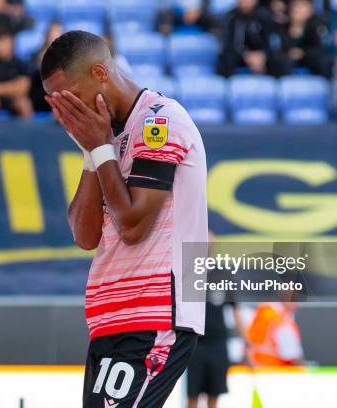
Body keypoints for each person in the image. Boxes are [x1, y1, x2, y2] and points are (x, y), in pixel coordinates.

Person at [41, 30, 208, 406]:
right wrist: (92, 151)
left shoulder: (161, 121)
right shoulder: (105, 138)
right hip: (110, 317)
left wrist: (100, 147)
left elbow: (133, 225)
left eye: (72, 98)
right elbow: (85, 236)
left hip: (158, 313)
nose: (69, 113)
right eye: (58, 104)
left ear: (100, 73)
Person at [187, 239, 246, 408]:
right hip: (195, 343)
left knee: (215, 393)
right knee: (193, 394)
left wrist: (247, 340)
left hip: (218, 343)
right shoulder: (189, 272)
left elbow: (235, 308)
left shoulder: (222, 273)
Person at [217, 0, 288, 77]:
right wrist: (246, 55)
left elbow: (269, 40)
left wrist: (263, 55)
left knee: (280, 61)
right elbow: (228, 43)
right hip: (239, 54)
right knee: (226, 59)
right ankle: (229, 86)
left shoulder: (265, 16)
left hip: (262, 54)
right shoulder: (229, 18)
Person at [0, 30, 32, 118]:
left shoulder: (20, 63)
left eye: (3, 42)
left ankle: (29, 130)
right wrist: (12, 86)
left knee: (24, 103)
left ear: (11, 45)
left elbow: (23, 89)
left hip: (14, 99)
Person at [277, 0, 332, 78]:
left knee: (324, 62)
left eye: (301, 6)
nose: (296, 9)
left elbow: (320, 49)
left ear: (310, 11)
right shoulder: (281, 28)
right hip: (286, 65)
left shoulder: (315, 27)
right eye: (295, 5)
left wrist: (302, 53)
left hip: (309, 61)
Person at [247, 301, 303, 366]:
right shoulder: (282, 321)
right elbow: (293, 355)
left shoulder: (264, 311)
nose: (298, 304)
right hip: (276, 371)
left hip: (256, 368)